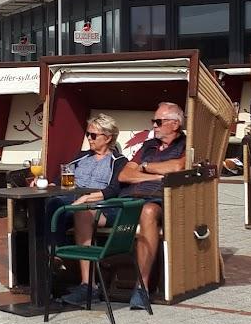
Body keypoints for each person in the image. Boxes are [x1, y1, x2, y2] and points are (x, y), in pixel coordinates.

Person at [117, 101, 189, 310]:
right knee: (83, 212)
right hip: (130, 197)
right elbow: (124, 174)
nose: (154, 126)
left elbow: (177, 166)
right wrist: (156, 175)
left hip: (160, 199)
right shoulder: (148, 145)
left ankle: (142, 287)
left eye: (158, 121)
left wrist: (145, 167)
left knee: (147, 211)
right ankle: (84, 283)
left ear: (175, 124)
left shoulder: (186, 144)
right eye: (153, 121)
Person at [48, 114, 124, 308]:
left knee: (73, 209)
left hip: (100, 205)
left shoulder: (118, 161)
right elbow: (62, 177)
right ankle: (53, 257)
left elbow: (113, 190)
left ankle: (81, 278)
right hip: (72, 198)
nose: (89, 138)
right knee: (50, 202)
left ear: (108, 137)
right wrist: (50, 184)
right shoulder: (81, 156)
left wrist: (86, 199)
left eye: (93, 135)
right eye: (88, 134)